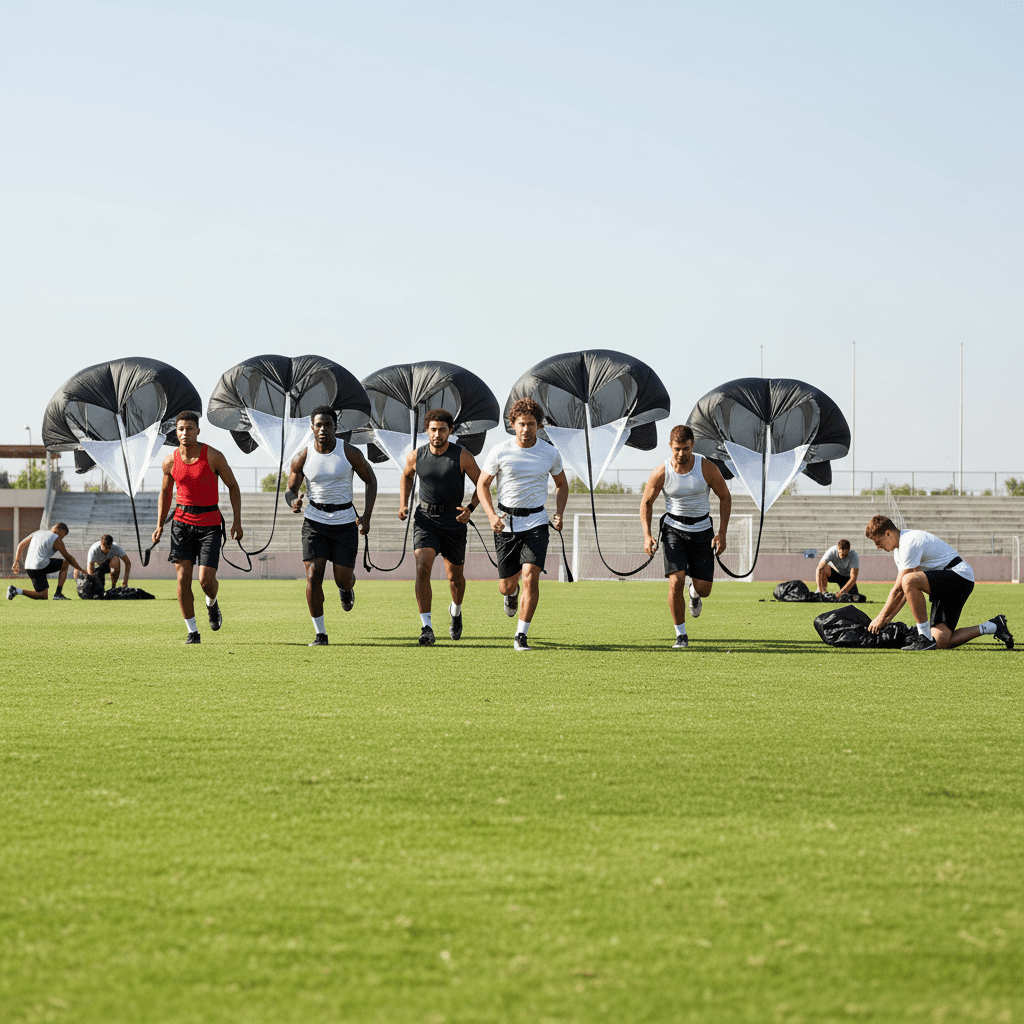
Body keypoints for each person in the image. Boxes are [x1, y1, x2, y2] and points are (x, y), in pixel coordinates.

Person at [476, 398, 569, 652]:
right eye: (521, 424)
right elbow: (482, 484)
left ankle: (521, 634)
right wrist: (492, 515)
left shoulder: (549, 452)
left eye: (531, 424)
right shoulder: (500, 451)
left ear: (539, 425)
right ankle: (511, 594)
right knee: (506, 585)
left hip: (537, 522)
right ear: (513, 425)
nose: (526, 429)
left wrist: (559, 513)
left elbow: (562, 484)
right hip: (506, 524)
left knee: (531, 576)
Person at [287, 405, 377, 647]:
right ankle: (320, 634)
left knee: (342, 579)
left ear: (336, 427)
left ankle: (347, 589)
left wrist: (366, 516)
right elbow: (290, 489)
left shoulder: (349, 453)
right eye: (319, 425)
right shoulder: (302, 456)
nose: (323, 429)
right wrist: (293, 502)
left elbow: (371, 480)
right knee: (313, 575)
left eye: (328, 424)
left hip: (345, 522)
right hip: (315, 522)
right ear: (312, 427)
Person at [152, 411, 242, 644]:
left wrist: (237, 521)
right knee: (183, 578)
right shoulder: (170, 461)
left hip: (210, 523)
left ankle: (211, 603)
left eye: (189, 428)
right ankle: (192, 631)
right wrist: (160, 524)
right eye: (181, 429)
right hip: (181, 523)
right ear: (176, 431)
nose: (185, 433)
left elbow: (233, 486)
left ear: (198, 431)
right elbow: (165, 492)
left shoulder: (213, 456)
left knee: (206, 581)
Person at [864, 514, 1013, 651]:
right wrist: (887, 619)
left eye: (878, 542)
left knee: (908, 579)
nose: (878, 547)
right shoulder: (899, 550)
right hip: (948, 582)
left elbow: (900, 587)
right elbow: (904, 590)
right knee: (940, 641)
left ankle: (924, 638)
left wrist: (880, 617)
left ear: (888, 533)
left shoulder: (909, 541)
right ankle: (993, 626)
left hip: (959, 576)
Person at [640, 424, 731, 649]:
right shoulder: (661, 471)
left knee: (704, 589)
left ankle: (694, 592)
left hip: (702, 531)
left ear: (693, 446)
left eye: (686, 449)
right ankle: (681, 634)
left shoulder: (706, 468)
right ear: (670, 446)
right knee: (675, 581)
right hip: (673, 530)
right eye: (677, 449)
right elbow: (646, 503)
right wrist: (647, 535)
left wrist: (722, 533)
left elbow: (725, 497)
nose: (682, 454)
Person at [398, 408, 482, 646]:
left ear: (450, 431)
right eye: (433, 430)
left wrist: (470, 508)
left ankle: (455, 612)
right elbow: (406, 476)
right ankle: (426, 627)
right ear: (427, 431)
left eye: (442, 430)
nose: (437, 434)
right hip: (425, 520)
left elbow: (482, 483)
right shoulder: (415, 456)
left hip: (454, 522)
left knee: (455, 578)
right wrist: (403, 504)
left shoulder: (462, 456)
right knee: (422, 566)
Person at [8, 522, 87, 601]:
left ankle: (15, 590)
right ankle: (58, 593)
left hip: (29, 566)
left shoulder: (38, 532)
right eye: (63, 535)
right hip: (40, 566)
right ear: (61, 530)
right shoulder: (56, 538)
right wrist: (81, 570)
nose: (62, 538)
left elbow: (21, 545)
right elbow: (68, 557)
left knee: (43, 595)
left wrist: (17, 561)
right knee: (65, 563)